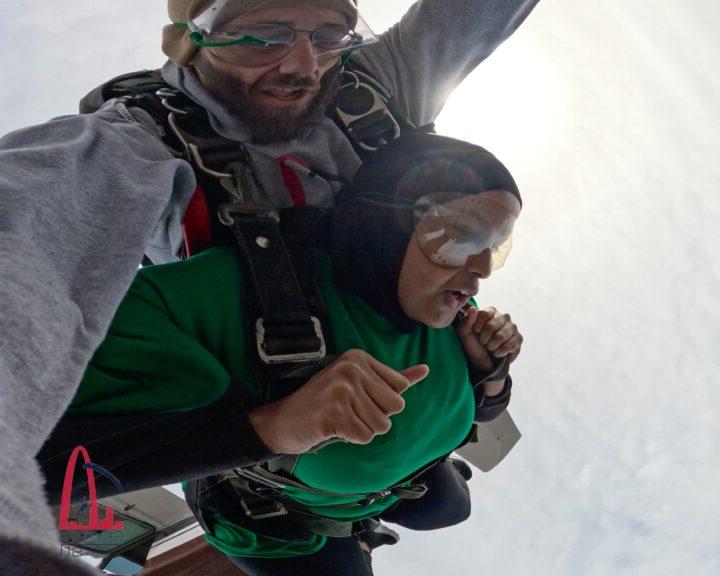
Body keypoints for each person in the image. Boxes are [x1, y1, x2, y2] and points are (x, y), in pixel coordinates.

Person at [0, 0, 537, 571]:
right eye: (262, 36)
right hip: (274, 461)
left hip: (402, 392)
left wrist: (483, 371)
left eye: (330, 35)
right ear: (189, 37)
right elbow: (27, 222)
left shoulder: (373, 85)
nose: (304, 65)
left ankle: (391, 486)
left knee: (445, 507)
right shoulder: (130, 149)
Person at [57, 133, 524, 574]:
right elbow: (32, 456)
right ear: (391, 218)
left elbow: (486, 410)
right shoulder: (244, 295)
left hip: (395, 481)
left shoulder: (454, 311)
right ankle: (359, 535)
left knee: (448, 509)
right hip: (280, 519)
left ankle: (387, 501)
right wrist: (272, 426)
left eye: (493, 247)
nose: (482, 269)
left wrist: (490, 370)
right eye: (465, 234)